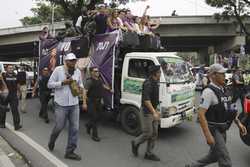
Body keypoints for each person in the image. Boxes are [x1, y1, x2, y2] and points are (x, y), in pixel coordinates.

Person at [185, 64, 247, 167]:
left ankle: (192, 165)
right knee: (225, 161)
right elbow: (201, 114)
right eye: (221, 74)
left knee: (214, 156)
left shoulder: (225, 89)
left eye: (224, 74)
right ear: (213, 75)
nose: (224, 76)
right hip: (214, 130)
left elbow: (230, 109)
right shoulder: (208, 92)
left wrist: (239, 123)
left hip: (223, 128)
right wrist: (208, 135)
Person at [47, 53, 84, 161]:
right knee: (59, 127)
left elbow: (81, 84)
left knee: (75, 129)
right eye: (71, 60)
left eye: (74, 60)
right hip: (61, 105)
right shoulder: (58, 70)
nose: (73, 62)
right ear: (66, 61)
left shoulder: (77, 72)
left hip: (74, 104)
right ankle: (52, 140)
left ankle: (70, 151)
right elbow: (49, 84)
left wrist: (80, 88)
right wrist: (62, 83)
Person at [131, 65, 161, 161]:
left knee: (154, 133)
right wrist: (154, 112)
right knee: (148, 133)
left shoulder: (156, 82)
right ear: (155, 73)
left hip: (153, 111)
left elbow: (155, 99)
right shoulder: (148, 83)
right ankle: (135, 142)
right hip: (147, 112)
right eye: (159, 72)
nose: (160, 73)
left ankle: (149, 153)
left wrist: (157, 110)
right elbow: (146, 100)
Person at [83, 66, 112, 142]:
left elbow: (102, 85)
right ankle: (94, 136)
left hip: (98, 102)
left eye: (98, 71)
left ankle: (88, 125)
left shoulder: (99, 80)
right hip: (91, 102)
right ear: (91, 72)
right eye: (95, 71)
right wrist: (84, 103)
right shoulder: (89, 81)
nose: (97, 72)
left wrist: (109, 89)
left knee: (98, 117)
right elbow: (84, 92)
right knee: (95, 118)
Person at [1, 65, 22, 130]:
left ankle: (17, 125)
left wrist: (19, 92)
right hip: (5, 95)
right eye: (9, 68)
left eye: (12, 68)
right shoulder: (3, 75)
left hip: (13, 95)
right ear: (6, 69)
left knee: (15, 110)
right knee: (3, 109)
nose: (11, 69)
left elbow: (18, 84)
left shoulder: (16, 75)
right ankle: (2, 124)